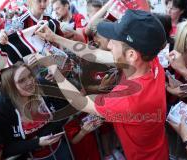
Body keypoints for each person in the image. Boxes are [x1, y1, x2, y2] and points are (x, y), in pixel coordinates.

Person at [35, 9, 169, 159]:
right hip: (158, 148)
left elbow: (80, 102)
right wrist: (55, 38)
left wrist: (54, 69)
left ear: (131, 55)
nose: (109, 45)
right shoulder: (150, 60)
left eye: (114, 41)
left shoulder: (128, 99)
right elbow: (96, 54)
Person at [0, 61, 75, 159]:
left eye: (30, 76)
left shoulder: (41, 84)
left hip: (61, 148)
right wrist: (37, 142)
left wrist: (43, 134)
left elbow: (66, 109)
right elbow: (5, 148)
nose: (30, 82)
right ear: (10, 86)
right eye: (22, 80)